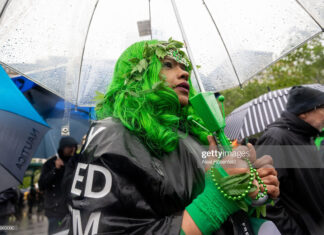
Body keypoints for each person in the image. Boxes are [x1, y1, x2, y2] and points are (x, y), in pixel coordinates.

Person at [62, 39, 279, 235]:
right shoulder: (113, 134)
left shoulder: (196, 135)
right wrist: (215, 202)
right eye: (167, 64)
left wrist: (249, 189)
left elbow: (214, 200)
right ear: (136, 75)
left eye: (184, 67)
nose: (183, 73)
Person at [256, 86, 324, 234]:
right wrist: (295, 231)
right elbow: (266, 200)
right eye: (323, 108)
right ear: (305, 112)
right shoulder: (276, 138)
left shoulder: (307, 136)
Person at [38, 136, 78, 235]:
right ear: (62, 148)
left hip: (72, 210)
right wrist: (55, 169)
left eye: (74, 147)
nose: (72, 149)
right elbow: (41, 185)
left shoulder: (76, 162)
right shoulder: (50, 164)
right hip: (54, 211)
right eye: (69, 147)